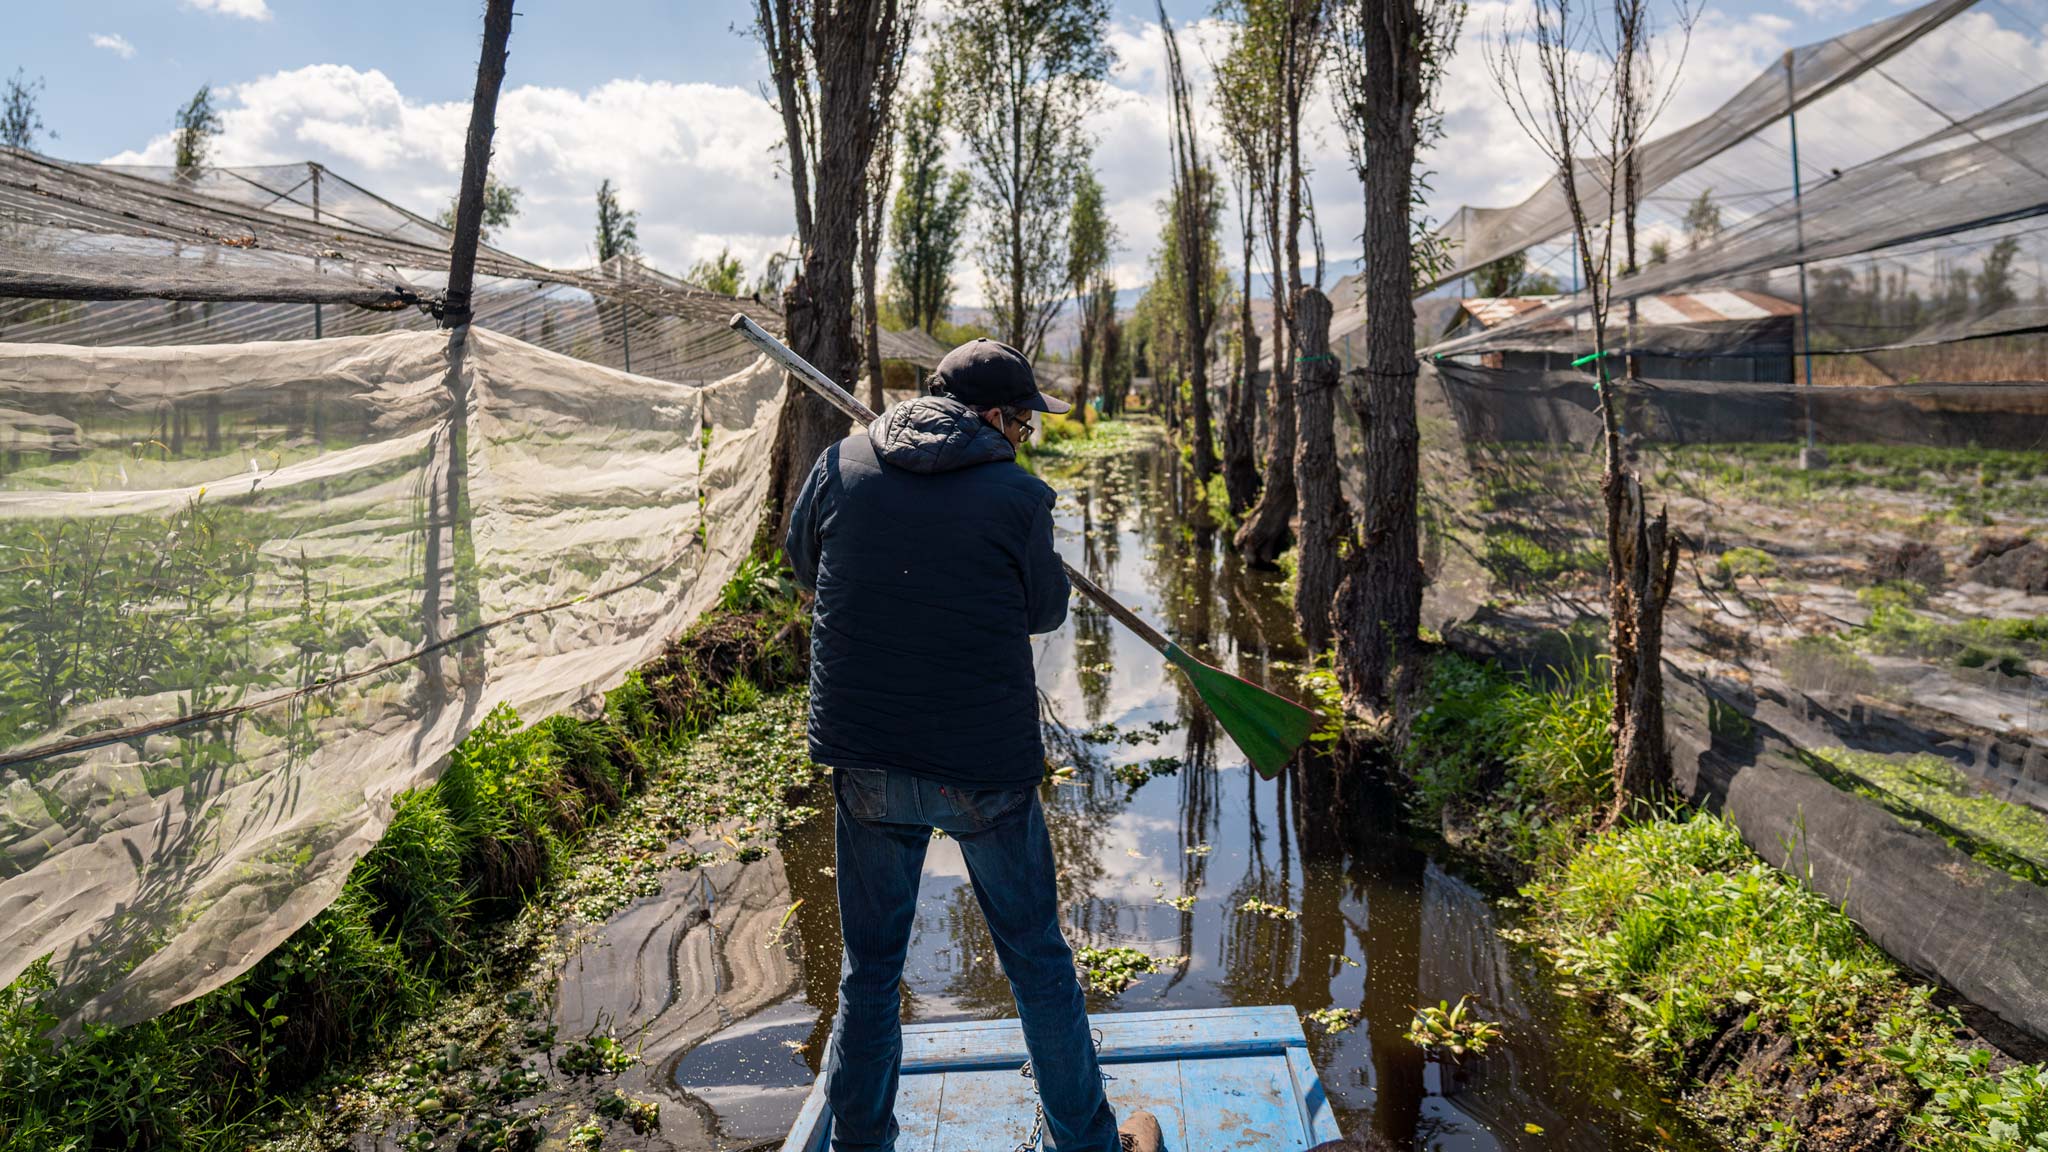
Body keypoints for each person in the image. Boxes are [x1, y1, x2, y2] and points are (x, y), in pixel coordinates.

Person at [785, 338, 1162, 1152]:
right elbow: (1044, 611)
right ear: (992, 416)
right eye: (1022, 421)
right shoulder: (1017, 497)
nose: (1024, 435)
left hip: (867, 760)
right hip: (982, 773)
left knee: (870, 971)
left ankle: (858, 1143)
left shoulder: (842, 464)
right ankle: (1091, 1145)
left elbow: (801, 559)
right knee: (1036, 963)